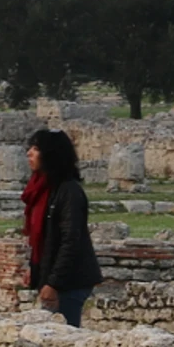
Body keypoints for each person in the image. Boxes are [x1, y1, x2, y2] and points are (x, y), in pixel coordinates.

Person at [22, 127, 103, 326]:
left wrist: (53, 283)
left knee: (61, 337)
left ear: (51, 154)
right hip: (56, 278)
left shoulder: (68, 192)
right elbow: (44, 239)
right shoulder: (44, 190)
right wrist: (36, 269)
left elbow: (70, 240)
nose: (29, 153)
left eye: (36, 148)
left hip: (70, 281)